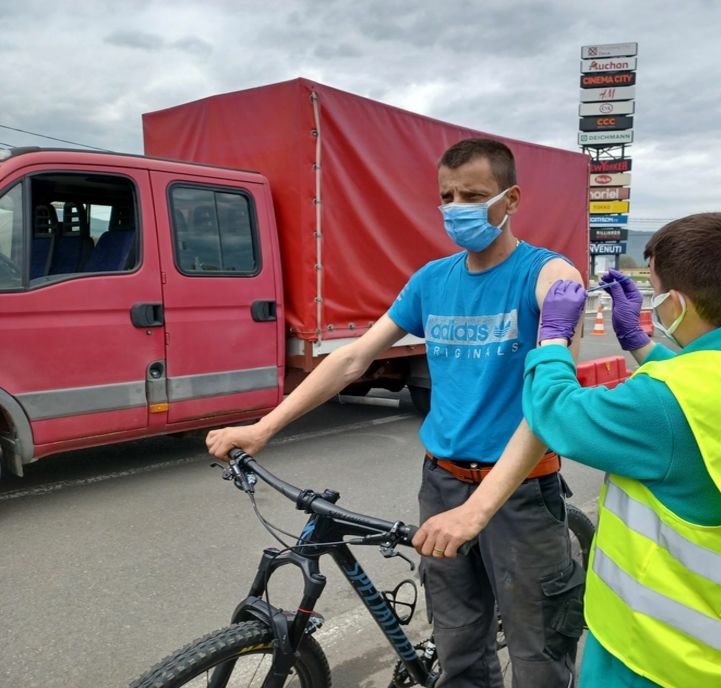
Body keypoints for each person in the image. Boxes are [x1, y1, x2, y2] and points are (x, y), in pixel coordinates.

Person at [206, 137, 585, 687]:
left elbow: (549, 392)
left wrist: (478, 512)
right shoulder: (433, 280)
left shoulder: (542, 273)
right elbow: (355, 357)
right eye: (447, 195)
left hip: (521, 492)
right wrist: (263, 428)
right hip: (444, 484)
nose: (457, 208)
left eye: (474, 194)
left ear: (511, 198)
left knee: (537, 654)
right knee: (459, 646)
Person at [523, 212, 721, 688]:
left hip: (663, 659)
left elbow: (556, 412)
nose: (653, 304)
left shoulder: (667, 404)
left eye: (654, 294)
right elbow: (702, 391)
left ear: (675, 302)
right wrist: (638, 341)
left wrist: (550, 338)